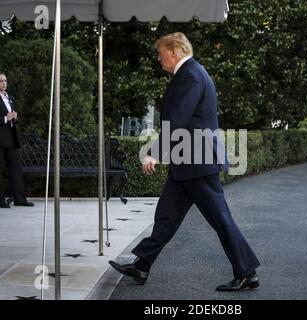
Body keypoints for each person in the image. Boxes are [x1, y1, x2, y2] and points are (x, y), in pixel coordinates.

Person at [109, 33, 260, 291]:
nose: (159, 58)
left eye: (161, 53)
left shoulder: (190, 74)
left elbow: (177, 118)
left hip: (198, 162)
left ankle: (247, 272)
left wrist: (154, 152)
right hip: (188, 163)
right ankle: (142, 264)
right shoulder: (192, 73)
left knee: (220, 219)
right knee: (166, 216)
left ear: (176, 51)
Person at [0, 73, 33, 208]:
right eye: (0, 81)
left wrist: (14, 118)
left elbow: (12, 117)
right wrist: (5, 118)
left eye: (5, 81)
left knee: (16, 169)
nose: (4, 83)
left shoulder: (11, 98)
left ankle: (20, 199)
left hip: (11, 138)